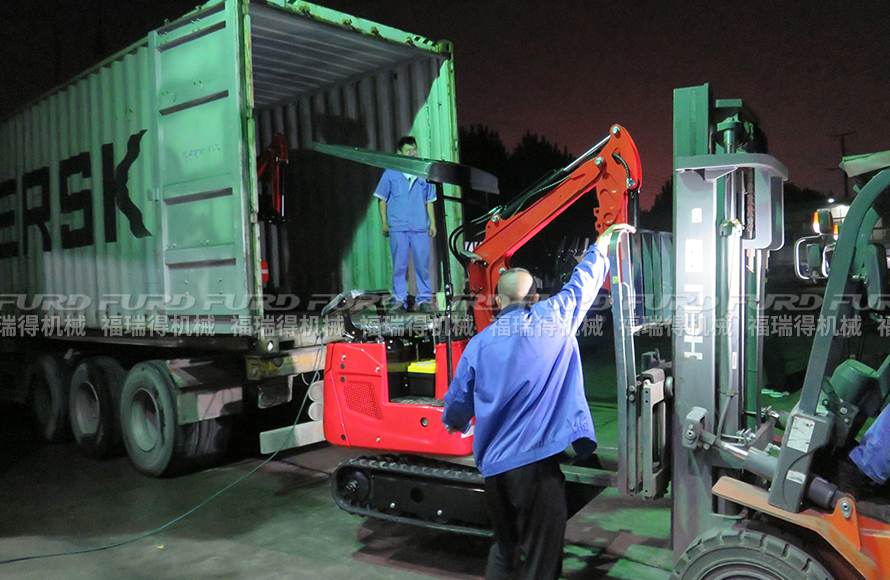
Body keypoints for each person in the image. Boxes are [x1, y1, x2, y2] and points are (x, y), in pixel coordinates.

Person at [441, 223, 632, 580]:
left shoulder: (479, 345)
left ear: (498, 301)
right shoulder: (554, 319)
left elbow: (457, 404)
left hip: (494, 473)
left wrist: (454, 422)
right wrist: (601, 245)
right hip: (536, 473)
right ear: (535, 298)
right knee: (542, 563)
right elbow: (583, 284)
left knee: (505, 552)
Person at [374, 136, 437, 314]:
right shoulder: (390, 174)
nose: (413, 153)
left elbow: (429, 201)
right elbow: (382, 199)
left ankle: (424, 300)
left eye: (415, 150)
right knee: (399, 266)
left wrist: (433, 223)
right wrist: (384, 222)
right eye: (409, 151)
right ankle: (399, 301)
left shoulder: (423, 173)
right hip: (398, 227)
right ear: (399, 153)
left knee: (422, 265)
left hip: (419, 227)